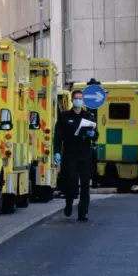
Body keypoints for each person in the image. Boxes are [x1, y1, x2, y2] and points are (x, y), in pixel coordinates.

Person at [53, 90, 98, 221]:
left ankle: (83, 212)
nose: (78, 100)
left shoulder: (89, 116)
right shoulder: (65, 116)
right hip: (69, 155)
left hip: (85, 155)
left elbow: (96, 134)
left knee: (85, 185)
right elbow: (58, 136)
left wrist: (92, 135)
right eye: (76, 98)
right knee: (71, 183)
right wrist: (57, 151)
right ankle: (68, 203)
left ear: (83, 100)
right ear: (72, 100)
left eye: (80, 98)